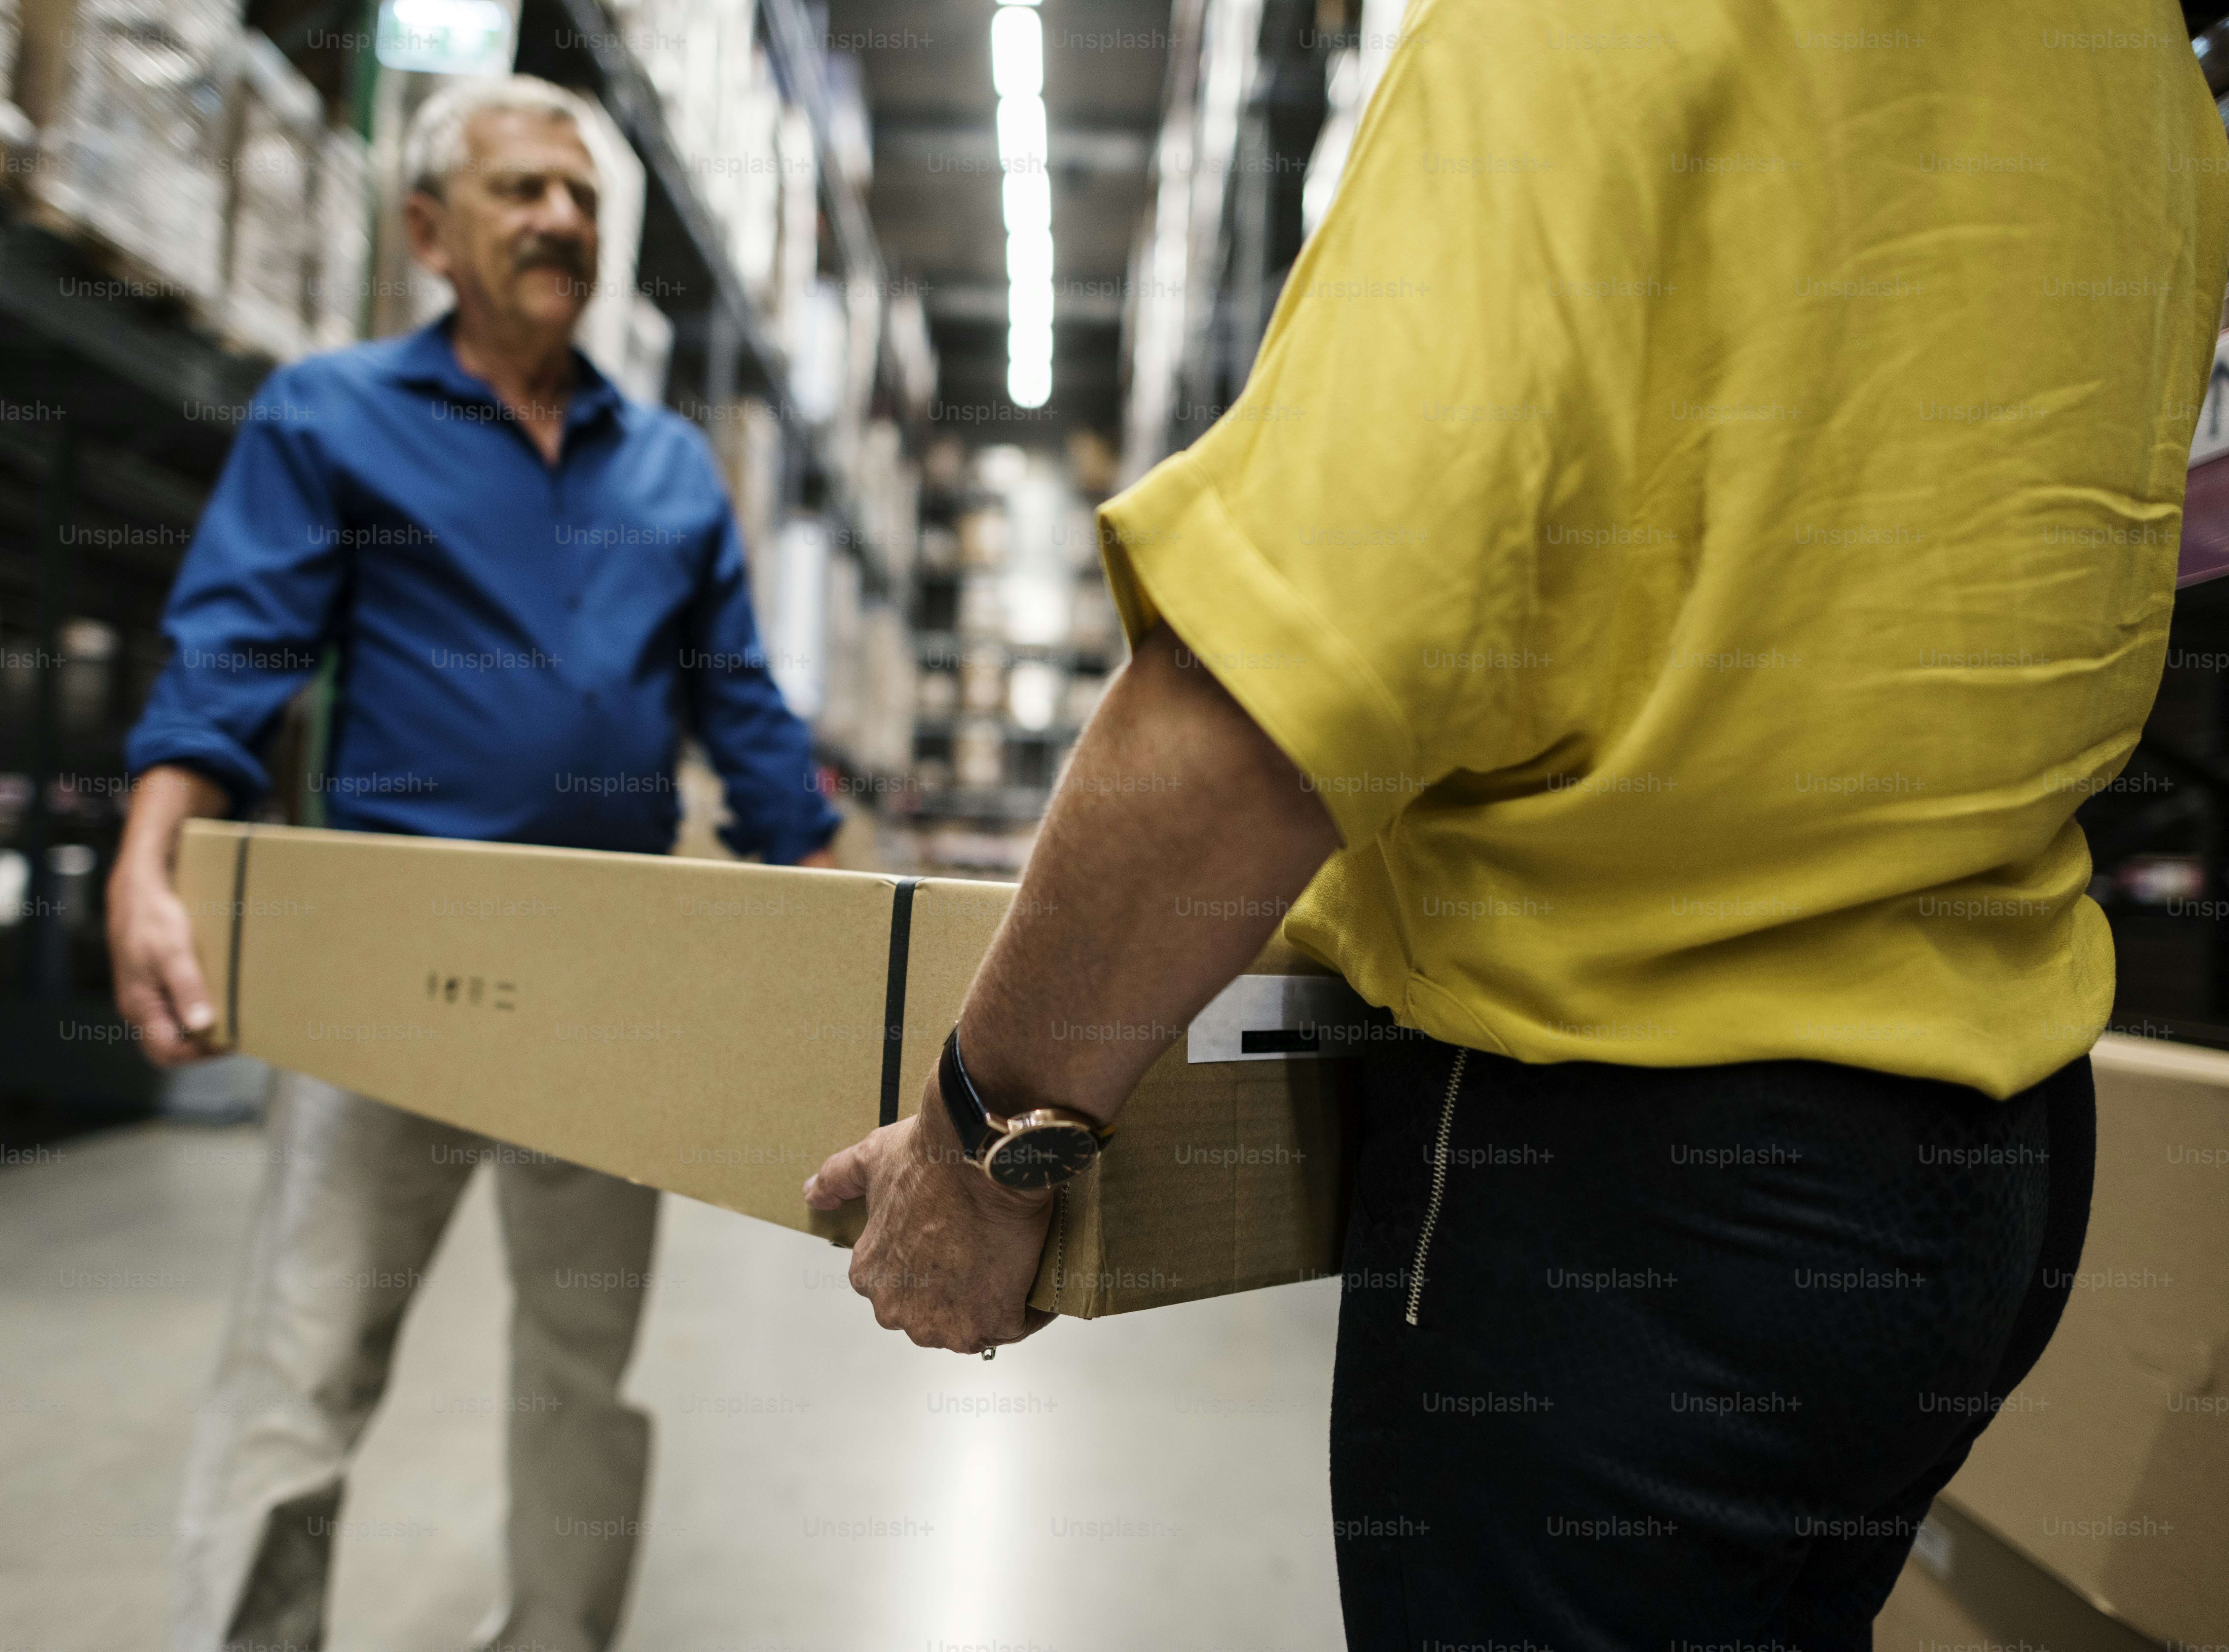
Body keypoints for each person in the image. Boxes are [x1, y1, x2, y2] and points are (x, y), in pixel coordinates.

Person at [807, 6, 2229, 1646]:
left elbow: (1264, 704)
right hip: (1987, 1181)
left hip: (1638, 1207)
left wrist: (985, 1153)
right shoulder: (2133, 65)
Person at [108, 75, 839, 1652]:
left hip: (608, 976)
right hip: (388, 963)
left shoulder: (671, 472)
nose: (562, 220)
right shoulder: (331, 416)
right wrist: (146, 865)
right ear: (432, 230)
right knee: (306, 1358)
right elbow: (230, 658)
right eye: (520, 192)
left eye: (579, 198)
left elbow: (753, 729)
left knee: (583, 1367)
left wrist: (876, 957)